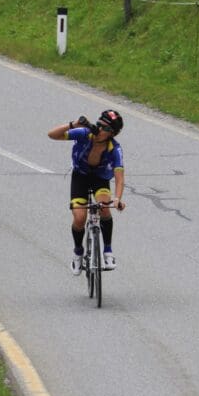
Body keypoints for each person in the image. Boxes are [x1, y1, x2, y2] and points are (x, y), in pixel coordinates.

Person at [48, 110, 126, 275]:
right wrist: (73, 124)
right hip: (80, 177)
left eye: (103, 128)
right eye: (98, 124)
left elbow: (119, 178)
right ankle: (78, 252)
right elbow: (52, 135)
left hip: (100, 179)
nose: (98, 129)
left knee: (105, 207)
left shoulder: (115, 149)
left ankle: (108, 251)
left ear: (112, 134)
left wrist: (117, 198)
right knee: (79, 217)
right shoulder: (85, 134)